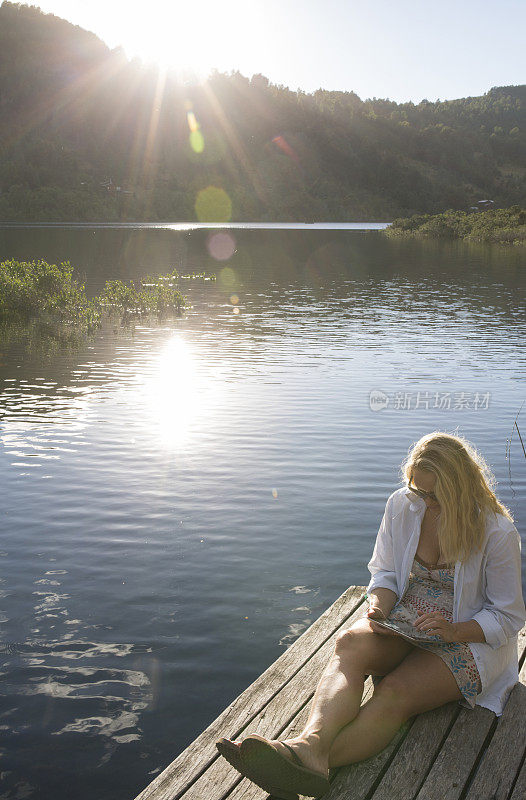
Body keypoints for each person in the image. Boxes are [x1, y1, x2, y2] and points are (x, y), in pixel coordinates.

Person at [216, 431, 525, 798]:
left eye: (434, 496)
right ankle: (309, 747)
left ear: (460, 489)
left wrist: (453, 630)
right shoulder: (403, 505)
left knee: (396, 690)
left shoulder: (496, 531)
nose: (424, 502)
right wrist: (380, 605)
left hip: (468, 635)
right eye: (418, 491)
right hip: (409, 620)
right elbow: (385, 573)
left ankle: (302, 762)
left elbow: (508, 618)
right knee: (350, 642)